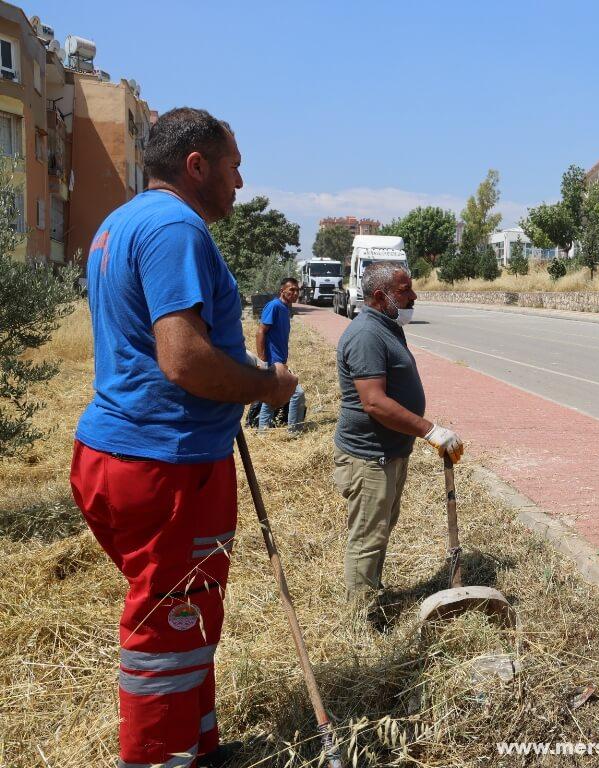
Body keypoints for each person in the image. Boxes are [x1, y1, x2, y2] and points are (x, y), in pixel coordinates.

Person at [69, 108, 298, 768]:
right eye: (232, 167)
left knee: (185, 617)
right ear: (196, 166)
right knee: (168, 632)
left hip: (115, 454)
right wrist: (267, 386)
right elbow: (185, 360)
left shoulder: (121, 222)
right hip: (167, 468)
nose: (240, 183)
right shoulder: (176, 227)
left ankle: (198, 749)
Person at [334, 262, 464, 620]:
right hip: (369, 458)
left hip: (388, 453)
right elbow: (374, 401)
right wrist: (429, 430)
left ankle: (371, 593)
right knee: (367, 538)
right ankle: (360, 618)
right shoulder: (366, 335)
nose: (413, 296)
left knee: (380, 530)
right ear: (380, 296)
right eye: (405, 290)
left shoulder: (385, 326)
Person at [255, 277, 307, 433]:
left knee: (271, 397)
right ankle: (293, 432)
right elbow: (260, 332)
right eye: (291, 289)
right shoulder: (274, 306)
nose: (295, 293)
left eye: (297, 290)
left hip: (280, 361)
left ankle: (263, 433)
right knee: (296, 392)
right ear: (282, 291)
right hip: (273, 361)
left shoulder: (285, 309)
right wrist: (263, 361)